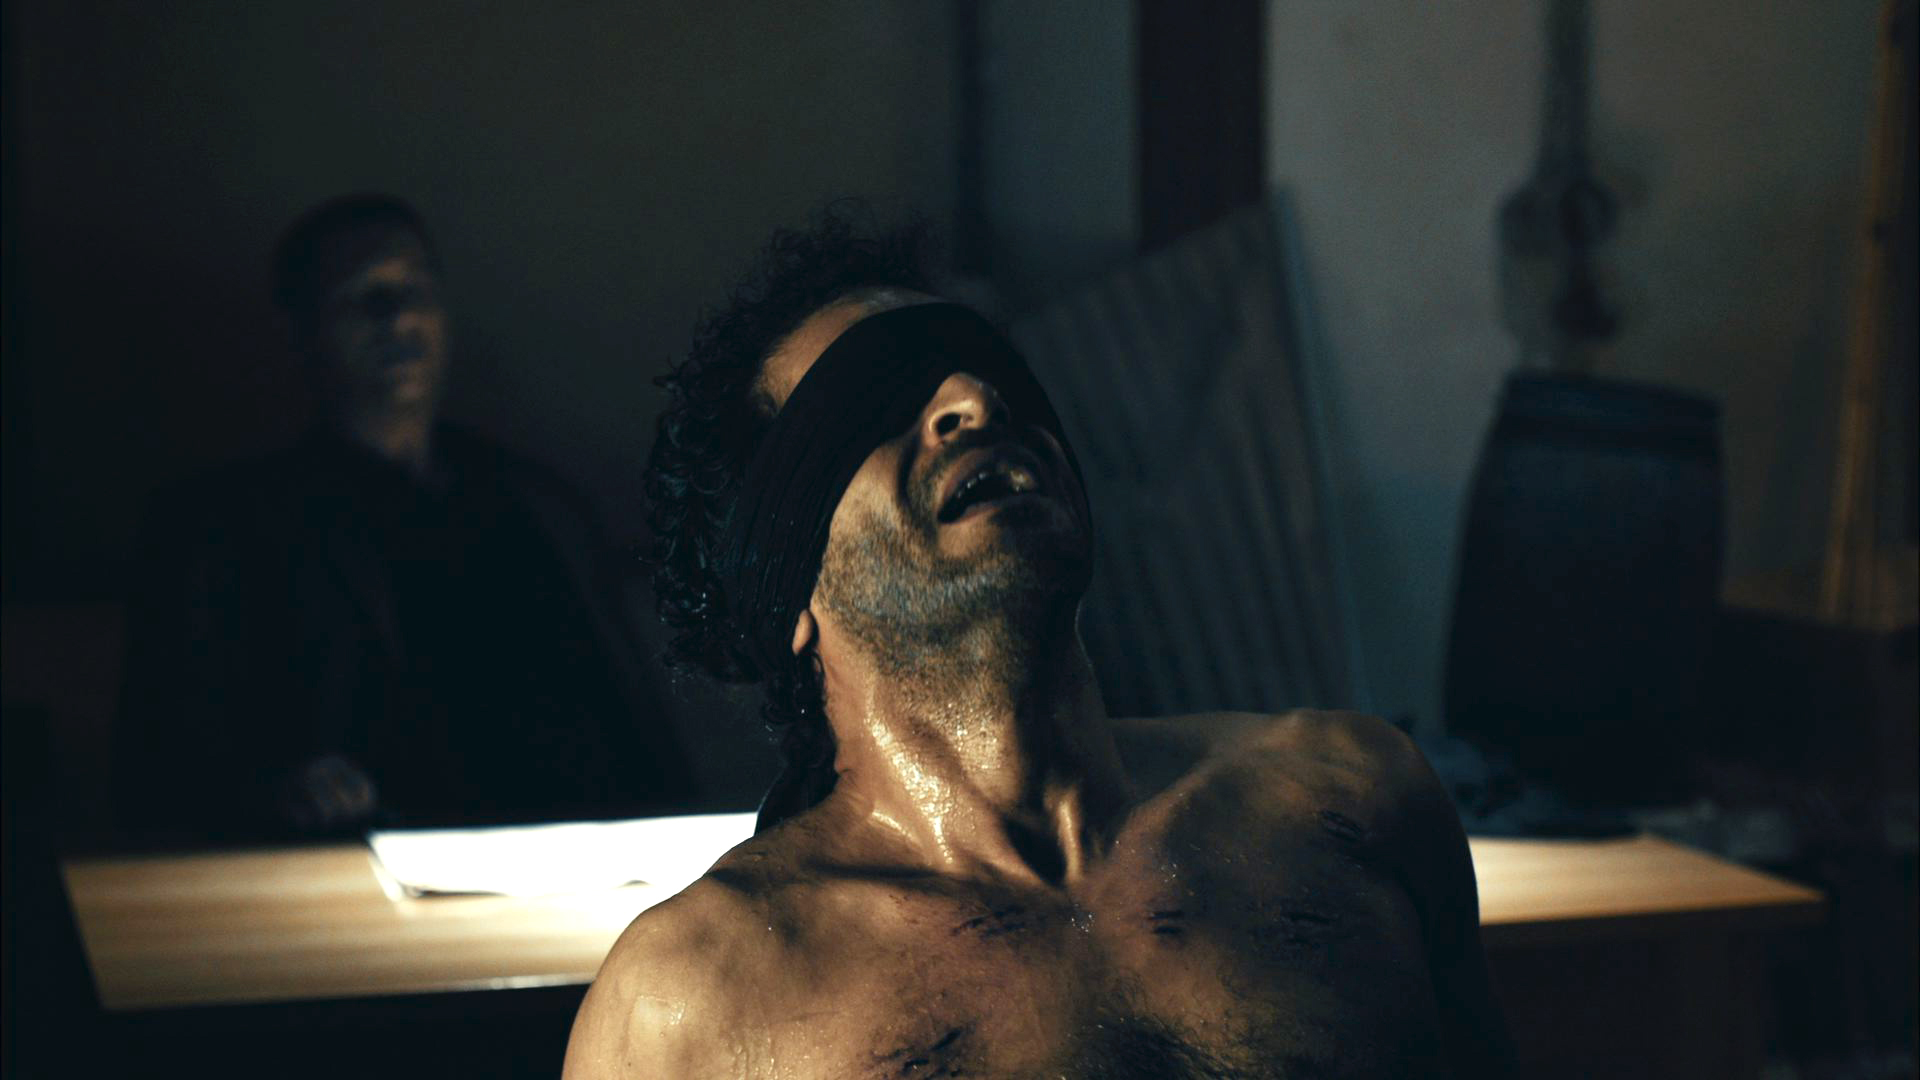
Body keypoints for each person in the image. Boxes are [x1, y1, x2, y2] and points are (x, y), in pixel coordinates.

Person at [563, 213, 1515, 1078]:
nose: (974, 399)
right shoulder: (692, 1005)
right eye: (873, 399)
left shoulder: (1353, 801)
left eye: (990, 369)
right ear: (782, 582)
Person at [116, 194, 693, 841]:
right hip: (355, 867)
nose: (398, 317)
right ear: (302, 330)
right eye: (360, 297)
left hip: (583, 856)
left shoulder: (542, 507)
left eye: (414, 288)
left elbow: (640, 736)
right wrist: (277, 794)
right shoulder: (224, 532)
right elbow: (164, 768)